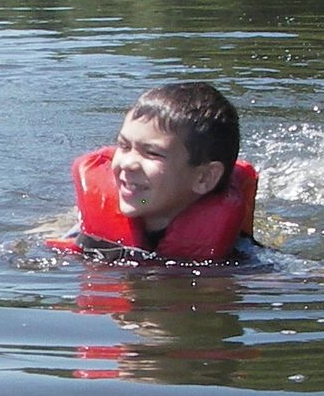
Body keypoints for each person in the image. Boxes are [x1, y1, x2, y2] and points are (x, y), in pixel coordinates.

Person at [56, 81, 258, 263]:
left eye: (152, 153)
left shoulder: (241, 257)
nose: (128, 163)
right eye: (124, 146)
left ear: (204, 177)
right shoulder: (89, 239)